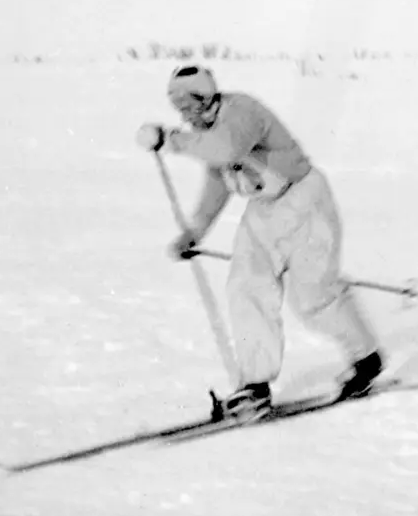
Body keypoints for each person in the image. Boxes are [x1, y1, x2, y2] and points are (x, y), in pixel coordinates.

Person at [135, 64, 385, 421]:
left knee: (312, 297)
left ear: (206, 96)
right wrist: (195, 233)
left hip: (305, 201)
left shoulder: (241, 111)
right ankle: (254, 387)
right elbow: (217, 179)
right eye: (176, 105)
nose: (183, 112)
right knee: (246, 286)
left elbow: (226, 149)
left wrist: (169, 140)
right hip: (264, 210)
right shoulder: (204, 134)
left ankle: (366, 358)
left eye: (188, 102)